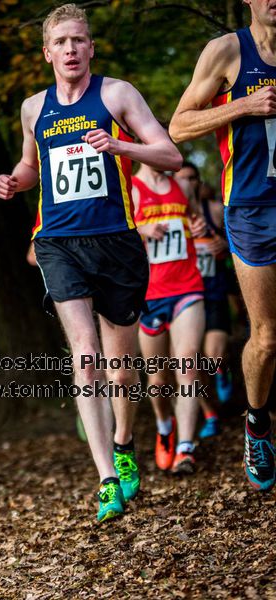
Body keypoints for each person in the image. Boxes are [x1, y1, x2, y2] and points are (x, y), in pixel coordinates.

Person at [0, 3, 182, 521]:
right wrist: (15, 181)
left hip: (116, 242)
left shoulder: (117, 94)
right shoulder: (34, 108)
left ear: (91, 47)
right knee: (85, 354)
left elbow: (171, 155)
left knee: (121, 373)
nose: (71, 49)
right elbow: (32, 166)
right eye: (61, 42)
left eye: (79, 40)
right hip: (58, 241)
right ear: (47, 53)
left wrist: (119, 145)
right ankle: (105, 477)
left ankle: (123, 443)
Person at [169, 0, 276, 491]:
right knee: (267, 337)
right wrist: (245, 105)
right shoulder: (228, 51)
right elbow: (179, 125)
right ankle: (256, 423)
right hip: (253, 208)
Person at [132, 163, 206, 474]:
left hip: (187, 287)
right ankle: (165, 426)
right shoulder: (132, 188)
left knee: (187, 363)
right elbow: (116, 232)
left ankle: (186, 449)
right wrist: (141, 230)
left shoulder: (183, 186)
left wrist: (199, 227)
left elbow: (195, 220)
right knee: (158, 379)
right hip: (149, 295)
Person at [175, 162, 233, 440]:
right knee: (189, 364)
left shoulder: (214, 211)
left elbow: (238, 241)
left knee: (212, 357)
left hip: (213, 292)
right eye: (182, 178)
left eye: (192, 178)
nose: (188, 183)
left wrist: (225, 245)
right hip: (184, 296)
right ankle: (210, 413)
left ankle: (223, 370)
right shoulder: (171, 215)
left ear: (198, 181)